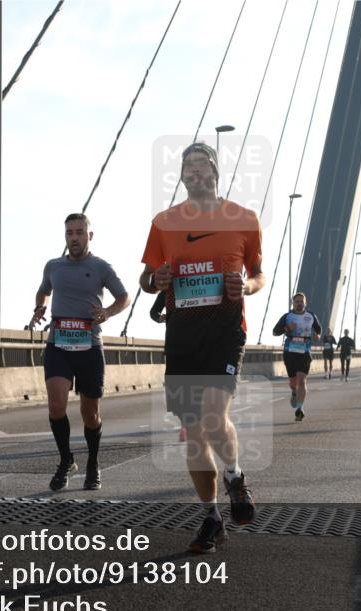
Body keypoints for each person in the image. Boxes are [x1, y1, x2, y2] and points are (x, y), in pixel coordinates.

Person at [140, 142, 265, 554]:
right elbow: (146, 279)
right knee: (195, 436)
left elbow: (259, 275)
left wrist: (245, 285)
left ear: (215, 170)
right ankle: (211, 516)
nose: (193, 172)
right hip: (182, 337)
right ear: (181, 176)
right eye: (186, 167)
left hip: (225, 333)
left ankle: (235, 475)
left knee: (214, 418)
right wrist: (155, 279)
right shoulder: (164, 222)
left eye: (200, 165)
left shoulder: (244, 219)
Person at [30, 213, 130, 492]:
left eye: (79, 232)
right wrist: (39, 307)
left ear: (89, 235)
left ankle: (93, 464)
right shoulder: (53, 266)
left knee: (90, 413)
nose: (74, 238)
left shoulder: (100, 267)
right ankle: (66, 461)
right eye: (69, 233)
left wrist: (108, 313)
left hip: (89, 346)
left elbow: (124, 297)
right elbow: (43, 291)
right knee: (56, 405)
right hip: (58, 344)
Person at [273, 292, 322, 421]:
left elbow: (318, 330)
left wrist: (317, 336)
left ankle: (300, 408)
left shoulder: (311, 316)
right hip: (290, 352)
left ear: (305, 303)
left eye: (301, 301)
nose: (299, 303)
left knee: (302, 380)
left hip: (304, 352)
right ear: (293, 303)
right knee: (293, 382)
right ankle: (294, 392)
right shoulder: (287, 316)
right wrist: (288, 328)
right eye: (297, 301)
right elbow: (275, 332)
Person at [149, 291, 186, 443]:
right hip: (174, 345)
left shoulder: (202, 284)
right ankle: (186, 423)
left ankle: (190, 425)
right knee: (175, 389)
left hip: (201, 345)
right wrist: (159, 317)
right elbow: (153, 311)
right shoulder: (167, 290)